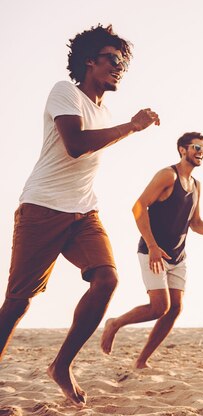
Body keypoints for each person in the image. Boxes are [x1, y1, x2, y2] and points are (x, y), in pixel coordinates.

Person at [0, 24, 160, 407]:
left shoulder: (103, 111)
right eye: (113, 59)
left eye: (124, 62)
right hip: (42, 207)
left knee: (107, 279)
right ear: (90, 60)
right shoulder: (65, 92)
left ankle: (61, 366)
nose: (120, 67)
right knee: (19, 301)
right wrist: (131, 127)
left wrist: (124, 127)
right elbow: (74, 145)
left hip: (84, 211)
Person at [100, 132, 203, 369]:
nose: (200, 152)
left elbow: (195, 222)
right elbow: (138, 207)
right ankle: (115, 323)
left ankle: (142, 360)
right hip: (153, 251)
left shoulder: (196, 186)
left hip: (178, 256)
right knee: (159, 307)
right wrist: (152, 246)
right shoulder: (167, 175)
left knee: (175, 309)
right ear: (182, 150)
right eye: (196, 147)